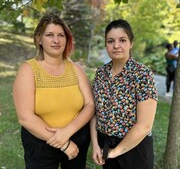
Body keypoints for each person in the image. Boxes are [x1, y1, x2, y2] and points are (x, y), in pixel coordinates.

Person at [13, 13, 94, 169]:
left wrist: (68, 132)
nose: (56, 40)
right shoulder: (28, 70)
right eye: (50, 35)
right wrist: (63, 143)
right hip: (40, 143)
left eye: (61, 35)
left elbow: (90, 104)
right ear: (39, 39)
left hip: (77, 139)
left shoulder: (76, 69)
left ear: (67, 39)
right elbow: (25, 117)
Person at [90, 19, 158, 169]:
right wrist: (95, 144)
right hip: (105, 145)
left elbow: (145, 125)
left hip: (135, 148)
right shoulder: (101, 74)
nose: (116, 45)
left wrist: (115, 152)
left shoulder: (142, 75)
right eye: (110, 41)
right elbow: (94, 112)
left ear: (131, 43)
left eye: (122, 40)